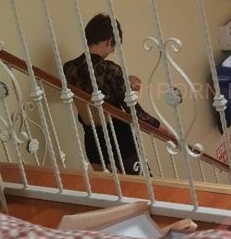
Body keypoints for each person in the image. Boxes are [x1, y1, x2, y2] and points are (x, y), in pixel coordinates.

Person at [63, 13, 159, 175]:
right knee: (145, 187)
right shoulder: (110, 69)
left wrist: (124, 80)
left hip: (93, 143)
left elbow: (92, 86)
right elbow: (136, 113)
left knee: (111, 189)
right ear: (109, 41)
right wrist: (165, 130)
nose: (113, 51)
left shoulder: (68, 68)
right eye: (114, 46)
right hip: (120, 142)